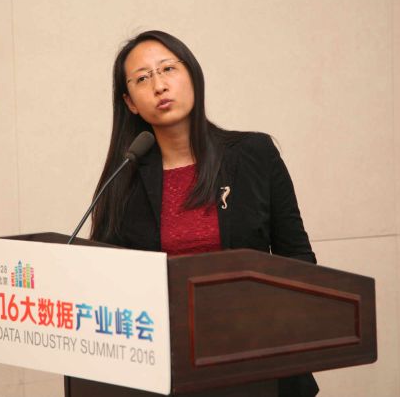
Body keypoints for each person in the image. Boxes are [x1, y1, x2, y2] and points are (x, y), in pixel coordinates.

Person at [90, 30, 319, 397]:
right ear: (130, 102)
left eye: (168, 69)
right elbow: (104, 282)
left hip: (256, 357)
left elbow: (297, 257)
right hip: (167, 370)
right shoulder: (123, 180)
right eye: (143, 78)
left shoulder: (253, 154)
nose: (159, 86)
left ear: (193, 75)